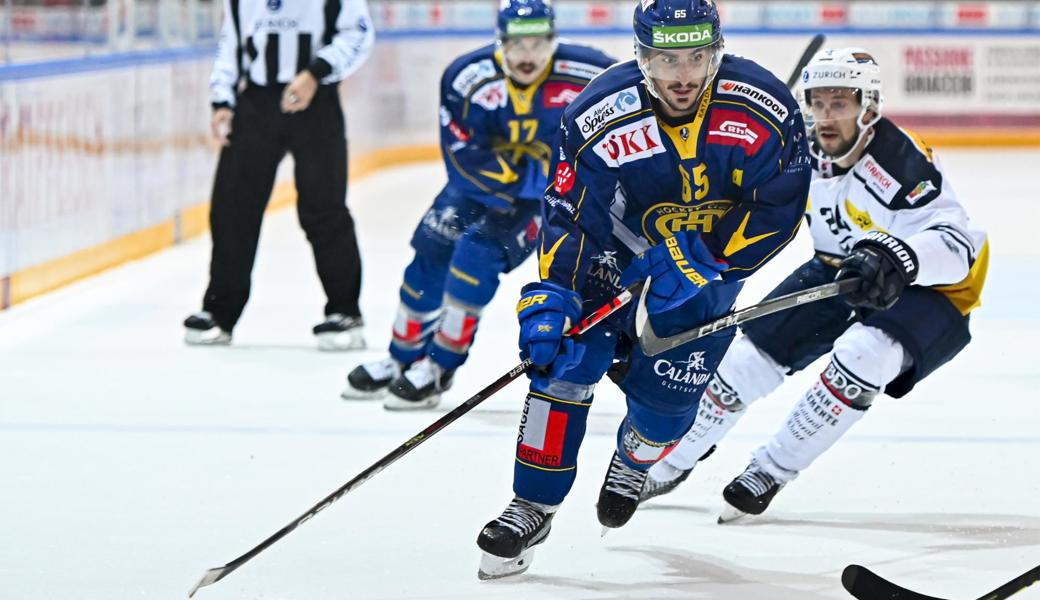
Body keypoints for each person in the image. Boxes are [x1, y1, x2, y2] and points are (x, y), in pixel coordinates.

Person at [474, 0, 812, 579]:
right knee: (564, 361)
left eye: (697, 58)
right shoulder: (598, 113)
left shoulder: (764, 110)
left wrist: (705, 257)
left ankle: (634, 458)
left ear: (716, 52)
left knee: (667, 408)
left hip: (707, 269)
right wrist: (556, 295)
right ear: (641, 57)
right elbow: (572, 215)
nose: (683, 76)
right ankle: (532, 503)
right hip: (616, 256)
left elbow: (780, 205)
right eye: (666, 59)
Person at [640, 47, 989, 523]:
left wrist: (900, 256)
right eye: (818, 103)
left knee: (865, 354)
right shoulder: (796, 149)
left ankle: (773, 468)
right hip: (840, 267)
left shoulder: (898, 159)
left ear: (869, 107)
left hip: (931, 286)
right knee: (744, 361)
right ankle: (672, 461)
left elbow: (958, 240)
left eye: (840, 103)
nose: (827, 116)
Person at [340, 0, 615, 410]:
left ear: (553, 40)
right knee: (429, 252)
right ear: (499, 42)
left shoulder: (593, 74)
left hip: (549, 199)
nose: (527, 56)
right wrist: (523, 176)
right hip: (480, 188)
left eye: (538, 43)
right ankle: (400, 358)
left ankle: (438, 367)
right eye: (517, 44)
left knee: (476, 256)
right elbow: (460, 155)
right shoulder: (467, 77)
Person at [183, 0, 374, 350]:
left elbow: (359, 34)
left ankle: (345, 311)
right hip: (257, 104)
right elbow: (232, 41)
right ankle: (220, 312)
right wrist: (222, 100)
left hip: (317, 102)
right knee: (232, 208)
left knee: (323, 208)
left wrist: (315, 73)